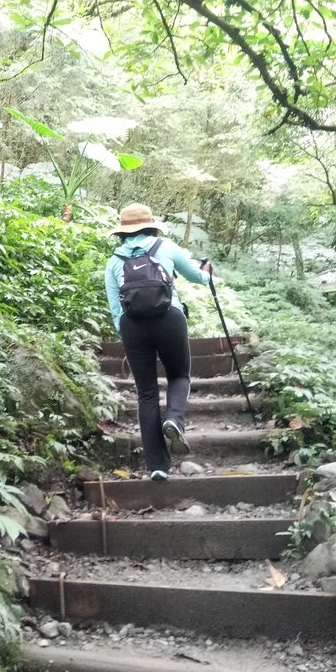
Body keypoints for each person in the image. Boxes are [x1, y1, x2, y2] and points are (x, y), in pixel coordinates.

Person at [104, 203, 213, 481]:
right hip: (170, 318)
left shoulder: (114, 260)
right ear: (151, 225)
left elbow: (116, 309)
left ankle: (157, 466)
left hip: (133, 326)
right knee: (179, 375)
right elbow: (198, 278)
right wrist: (207, 272)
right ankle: (174, 419)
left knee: (146, 393)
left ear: (122, 232)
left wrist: (127, 334)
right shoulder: (166, 247)